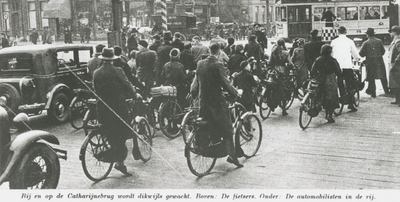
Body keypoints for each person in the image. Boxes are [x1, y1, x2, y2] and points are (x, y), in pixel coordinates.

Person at [190, 43, 243, 168]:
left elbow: (195, 83)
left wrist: (193, 94)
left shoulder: (200, 64)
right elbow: (226, 83)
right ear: (219, 52)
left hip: (204, 102)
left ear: (209, 51)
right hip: (217, 103)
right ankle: (232, 156)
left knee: (206, 125)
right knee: (227, 129)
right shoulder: (218, 65)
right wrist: (236, 94)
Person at [93, 48, 140, 176]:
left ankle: (117, 158)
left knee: (110, 132)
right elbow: (127, 85)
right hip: (118, 107)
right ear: (112, 60)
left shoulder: (96, 73)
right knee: (123, 133)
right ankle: (118, 160)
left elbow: (96, 90)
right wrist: (135, 96)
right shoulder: (117, 71)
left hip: (102, 109)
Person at [331, 26, 361, 112]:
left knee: (339, 82)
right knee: (350, 84)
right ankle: (351, 104)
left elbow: (331, 53)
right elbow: (355, 54)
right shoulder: (350, 41)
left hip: (337, 66)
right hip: (347, 65)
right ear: (346, 32)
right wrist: (358, 59)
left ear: (338, 32)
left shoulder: (334, 41)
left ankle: (342, 97)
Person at [311, 45, 341, 123]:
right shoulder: (333, 60)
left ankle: (317, 106)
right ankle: (329, 115)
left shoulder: (318, 59)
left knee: (319, 94)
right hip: (330, 79)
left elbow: (313, 70)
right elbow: (338, 71)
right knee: (331, 97)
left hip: (320, 79)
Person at [359, 28, 389, 97]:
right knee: (382, 76)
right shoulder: (379, 41)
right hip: (379, 61)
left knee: (371, 77)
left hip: (370, 62)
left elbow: (361, 54)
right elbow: (383, 51)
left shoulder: (366, 43)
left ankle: (373, 93)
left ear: (367, 34)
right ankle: (386, 90)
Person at [269, 38, 293, 116]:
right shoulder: (286, 53)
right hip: (283, 72)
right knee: (285, 89)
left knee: (274, 87)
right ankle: (283, 109)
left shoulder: (273, 52)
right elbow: (290, 63)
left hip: (274, 71)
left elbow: (270, 62)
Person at [388, 26, 400, 106]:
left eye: (391, 32)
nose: (390, 34)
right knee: (396, 83)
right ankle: (397, 100)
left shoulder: (398, 41)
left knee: (398, 83)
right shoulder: (395, 41)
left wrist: (395, 63)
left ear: (395, 32)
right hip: (394, 65)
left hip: (397, 66)